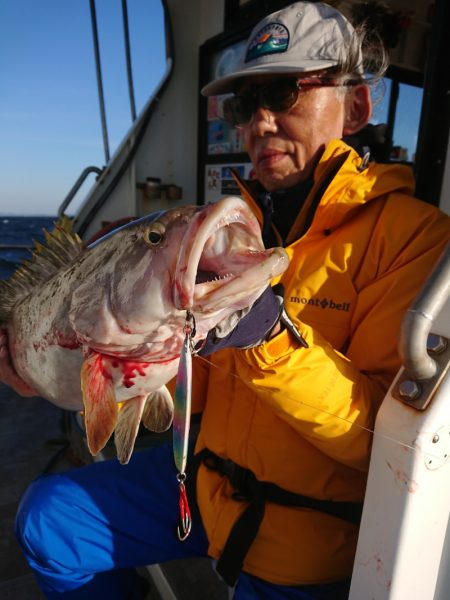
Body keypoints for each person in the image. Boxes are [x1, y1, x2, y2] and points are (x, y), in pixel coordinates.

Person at [2, 2, 450, 598]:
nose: (259, 122)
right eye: (244, 104)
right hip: (207, 486)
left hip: (303, 537)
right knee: (49, 519)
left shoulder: (415, 239)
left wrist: (269, 337)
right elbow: (194, 394)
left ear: (358, 106)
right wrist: (119, 360)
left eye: (285, 92)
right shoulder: (234, 234)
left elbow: (387, 446)